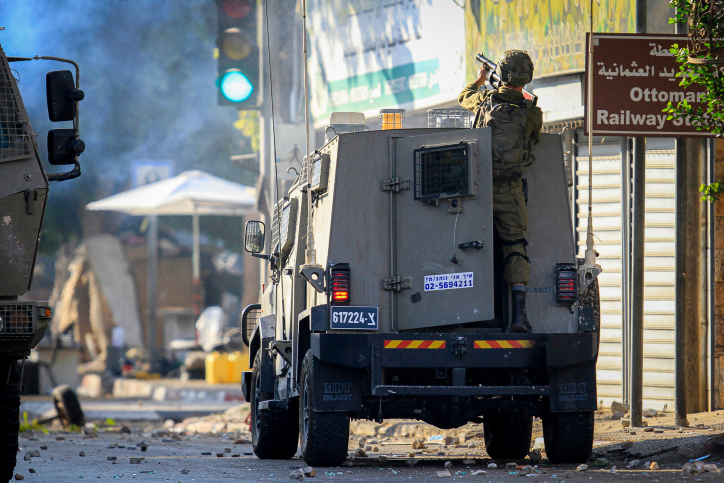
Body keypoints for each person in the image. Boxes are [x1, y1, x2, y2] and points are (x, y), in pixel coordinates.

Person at [458, 50, 542, 333]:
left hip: (476, 188)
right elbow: (534, 138)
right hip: (509, 189)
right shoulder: (533, 112)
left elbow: (464, 96)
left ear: (501, 76)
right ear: (527, 77)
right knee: (515, 246)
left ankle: (465, 313)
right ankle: (518, 317)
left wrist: (481, 79)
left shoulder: (484, 101)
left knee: (467, 246)